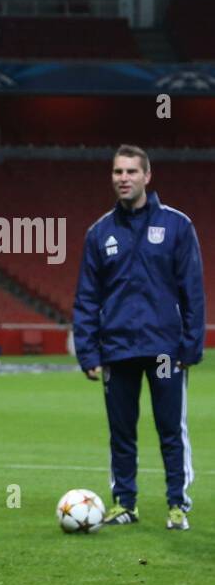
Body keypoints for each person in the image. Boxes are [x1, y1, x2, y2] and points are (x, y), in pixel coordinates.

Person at [73, 145, 204, 530]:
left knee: (170, 430)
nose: (124, 178)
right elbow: (86, 298)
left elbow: (192, 292)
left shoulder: (178, 226)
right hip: (117, 350)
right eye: (117, 172)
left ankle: (177, 504)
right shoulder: (99, 233)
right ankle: (123, 502)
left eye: (131, 171)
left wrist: (190, 346)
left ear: (147, 176)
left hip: (165, 351)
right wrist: (88, 352)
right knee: (121, 432)